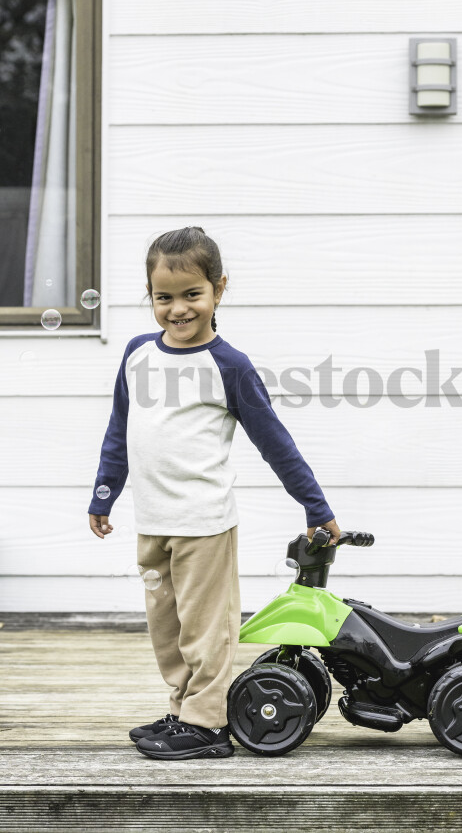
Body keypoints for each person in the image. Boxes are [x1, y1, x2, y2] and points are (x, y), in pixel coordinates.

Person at [88, 226, 340, 760]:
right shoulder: (136, 355)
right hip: (152, 522)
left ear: (218, 289)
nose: (177, 309)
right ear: (150, 296)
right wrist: (104, 494)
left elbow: (276, 442)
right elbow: (119, 432)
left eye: (191, 295)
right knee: (167, 628)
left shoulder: (229, 366)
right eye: (164, 297)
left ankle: (208, 723)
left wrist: (316, 507)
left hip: (203, 523)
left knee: (207, 629)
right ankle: (183, 710)